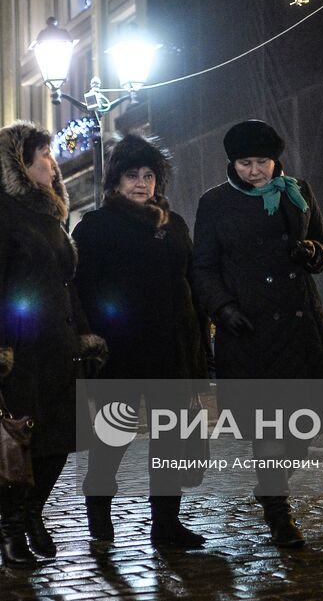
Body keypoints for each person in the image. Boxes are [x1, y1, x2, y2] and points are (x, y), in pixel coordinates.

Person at [191, 120, 323, 548]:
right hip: (249, 329)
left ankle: (271, 486)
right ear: (232, 163)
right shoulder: (215, 203)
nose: (254, 171)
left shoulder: (299, 192)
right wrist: (223, 308)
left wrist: (315, 253)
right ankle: (278, 511)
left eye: (261, 162)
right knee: (268, 429)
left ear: (276, 160)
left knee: (307, 422)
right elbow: (203, 266)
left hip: (300, 327)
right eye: (245, 163)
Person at [0, 121, 107, 569]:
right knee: (18, 444)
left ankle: (32, 514)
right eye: (43, 155)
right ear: (20, 166)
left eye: (51, 154)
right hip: (20, 353)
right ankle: (11, 528)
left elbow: (68, 285)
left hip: (59, 349)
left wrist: (85, 338)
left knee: (58, 442)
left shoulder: (51, 219)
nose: (53, 162)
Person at [73, 134, 208, 548]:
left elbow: (193, 285)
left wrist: (199, 345)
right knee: (113, 435)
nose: (141, 183)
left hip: (171, 349)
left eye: (149, 175)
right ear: (115, 181)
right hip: (120, 351)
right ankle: (99, 509)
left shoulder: (175, 226)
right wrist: (91, 344)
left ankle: (165, 522)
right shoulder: (94, 228)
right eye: (132, 174)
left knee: (170, 440)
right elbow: (79, 292)